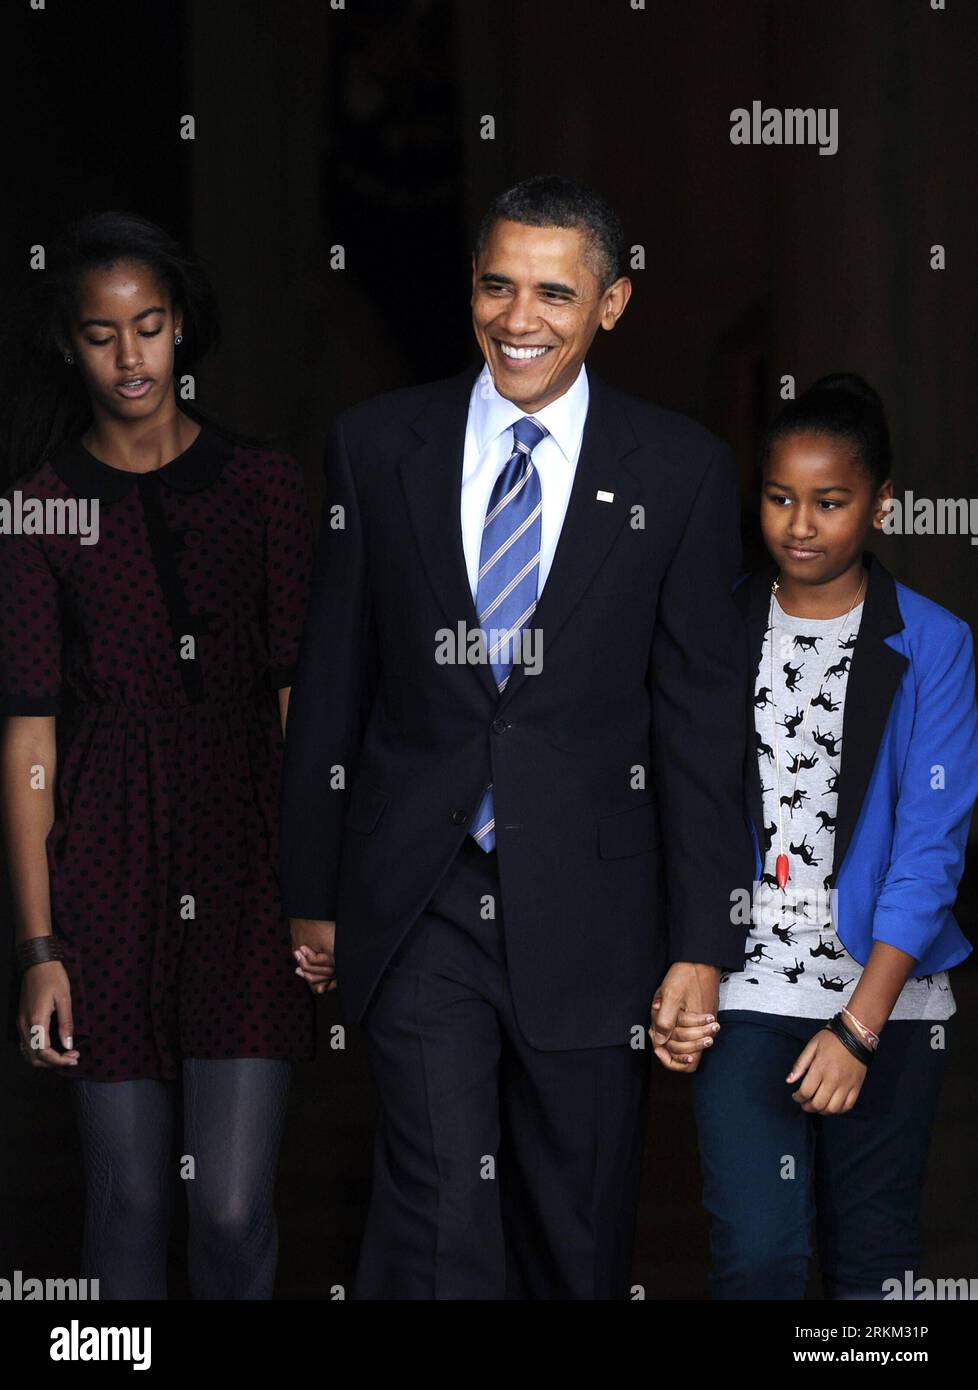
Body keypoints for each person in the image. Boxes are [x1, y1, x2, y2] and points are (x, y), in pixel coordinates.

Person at [280, 174, 754, 1299]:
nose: (519, 318)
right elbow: (334, 676)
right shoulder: (376, 444)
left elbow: (697, 720)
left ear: (612, 304)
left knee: (575, 1224)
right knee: (439, 1205)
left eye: (554, 291)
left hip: (596, 909)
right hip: (422, 889)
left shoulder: (680, 472)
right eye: (497, 284)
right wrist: (313, 885)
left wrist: (702, 941)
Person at [0, 211, 315, 1298]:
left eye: (150, 326)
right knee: (128, 1203)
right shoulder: (40, 509)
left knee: (229, 1206)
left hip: (244, 859)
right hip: (108, 861)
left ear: (183, 327)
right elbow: (30, 732)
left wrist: (312, 889)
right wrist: (41, 943)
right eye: (102, 334)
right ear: (70, 345)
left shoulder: (267, 486)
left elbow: (297, 701)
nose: (130, 357)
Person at [671, 373, 978, 1299]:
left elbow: (931, 850)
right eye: (779, 498)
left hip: (886, 997)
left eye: (830, 502)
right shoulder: (712, 629)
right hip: (748, 986)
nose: (800, 525)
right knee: (758, 1257)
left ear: (881, 506)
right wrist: (677, 965)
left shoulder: (934, 643)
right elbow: (674, 810)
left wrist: (858, 1027)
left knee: (872, 1271)